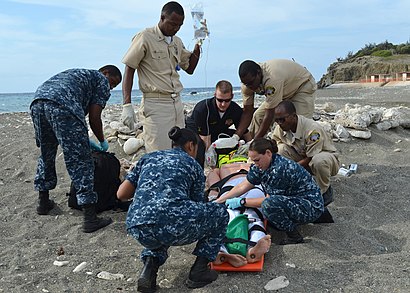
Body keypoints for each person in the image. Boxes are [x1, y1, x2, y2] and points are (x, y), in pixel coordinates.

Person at [117, 126, 229, 292]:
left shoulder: (148, 158)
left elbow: (121, 194)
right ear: (191, 145)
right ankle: (199, 271)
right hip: (172, 223)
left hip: (138, 226)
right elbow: (194, 205)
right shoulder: (193, 164)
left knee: (160, 224)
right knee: (219, 214)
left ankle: (149, 269)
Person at [30, 65, 122, 233]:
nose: (110, 88)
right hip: (63, 105)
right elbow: (95, 117)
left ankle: (43, 202)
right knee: (81, 160)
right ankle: (90, 217)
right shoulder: (100, 79)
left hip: (38, 101)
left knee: (46, 152)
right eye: (113, 83)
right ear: (105, 73)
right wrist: (102, 140)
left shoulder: (79, 75)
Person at [121, 1, 201, 153]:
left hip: (176, 102)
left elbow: (189, 68)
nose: (175, 28)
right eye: (172, 24)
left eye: (179, 25)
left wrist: (198, 48)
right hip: (156, 103)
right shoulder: (145, 37)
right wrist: (127, 104)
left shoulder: (177, 42)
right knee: (159, 150)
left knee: (180, 150)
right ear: (162, 17)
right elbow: (130, 67)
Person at [215, 138, 324, 245]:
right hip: (294, 200)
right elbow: (244, 185)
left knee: (269, 206)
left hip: (311, 206)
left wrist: (242, 201)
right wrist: (220, 200)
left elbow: (268, 200)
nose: (255, 164)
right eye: (253, 160)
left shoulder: (279, 169)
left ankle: (293, 236)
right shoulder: (262, 166)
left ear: (268, 153)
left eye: (257, 160)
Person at [271, 100, 341, 205]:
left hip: (326, 161)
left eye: (282, 120)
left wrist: (291, 168)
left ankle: (325, 191)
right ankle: (295, 185)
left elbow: (310, 157)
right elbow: (274, 145)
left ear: (293, 116)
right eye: (277, 120)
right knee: (280, 149)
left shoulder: (312, 130)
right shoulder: (281, 128)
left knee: (318, 160)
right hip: (302, 158)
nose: (279, 123)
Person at [207, 163, 271, 267]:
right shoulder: (256, 163)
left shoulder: (225, 167)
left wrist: (213, 196)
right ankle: (253, 247)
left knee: (228, 216)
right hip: (255, 187)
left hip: (230, 188)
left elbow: (213, 177)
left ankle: (221, 250)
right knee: (253, 216)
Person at [234, 59, 317, 139]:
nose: (250, 87)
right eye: (246, 84)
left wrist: (256, 139)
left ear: (258, 73)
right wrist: (236, 137)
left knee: (298, 124)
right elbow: (248, 112)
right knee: (258, 116)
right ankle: (254, 148)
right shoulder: (247, 84)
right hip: (283, 91)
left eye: (251, 83)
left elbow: (270, 113)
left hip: (302, 87)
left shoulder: (272, 79)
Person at [186, 80, 252, 167]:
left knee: (240, 138)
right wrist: (209, 161)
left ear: (232, 97)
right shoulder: (203, 109)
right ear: (214, 96)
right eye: (220, 100)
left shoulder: (235, 109)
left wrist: (252, 145)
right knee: (201, 146)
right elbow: (205, 139)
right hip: (198, 133)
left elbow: (244, 131)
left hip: (218, 130)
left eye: (227, 100)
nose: (223, 104)